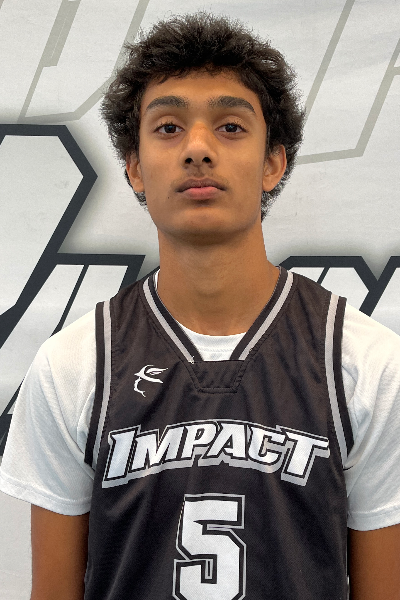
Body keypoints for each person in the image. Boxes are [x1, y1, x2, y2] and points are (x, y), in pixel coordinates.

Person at [1, 12, 400, 600]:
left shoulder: (367, 364)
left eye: (231, 126)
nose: (197, 149)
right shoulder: (74, 366)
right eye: (167, 127)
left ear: (273, 163)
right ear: (135, 167)